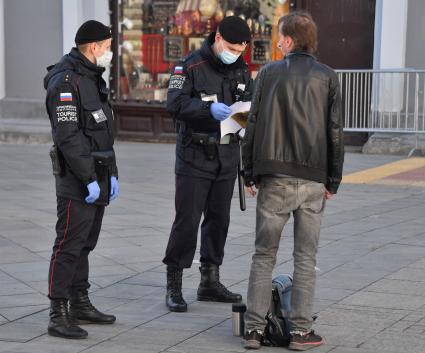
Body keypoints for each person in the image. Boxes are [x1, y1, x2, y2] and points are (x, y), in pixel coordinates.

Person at [242, 12, 344, 351]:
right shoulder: (327, 76)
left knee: (263, 254)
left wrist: (248, 171)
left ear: (288, 40)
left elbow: (252, 124)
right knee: (305, 257)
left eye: (279, 36)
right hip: (313, 177)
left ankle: (254, 330)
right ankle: (300, 332)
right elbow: (334, 132)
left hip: (274, 175)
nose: (276, 41)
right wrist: (334, 178)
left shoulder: (268, 73)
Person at [163, 16, 253, 312]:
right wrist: (206, 109)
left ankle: (209, 280)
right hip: (195, 156)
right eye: (231, 47)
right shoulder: (189, 66)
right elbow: (174, 104)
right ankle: (174, 284)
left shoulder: (241, 68)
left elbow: (249, 103)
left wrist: (240, 119)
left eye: (241, 49)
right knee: (187, 222)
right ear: (217, 39)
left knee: (219, 221)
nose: (236, 54)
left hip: (226, 157)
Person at [44, 20, 119, 339]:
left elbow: (103, 131)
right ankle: (58, 310)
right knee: (69, 244)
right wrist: (88, 177)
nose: (110, 53)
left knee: (86, 243)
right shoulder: (65, 81)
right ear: (93, 47)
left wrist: (112, 174)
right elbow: (68, 136)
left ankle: (80, 301)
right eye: (107, 47)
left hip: (98, 173)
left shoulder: (91, 77)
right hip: (77, 177)